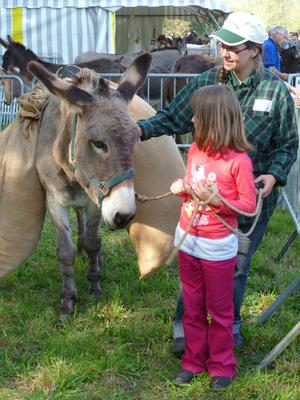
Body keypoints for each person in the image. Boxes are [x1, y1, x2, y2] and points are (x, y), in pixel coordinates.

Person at [137, 11, 298, 355]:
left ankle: (228, 327)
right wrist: (136, 130)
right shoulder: (207, 83)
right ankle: (186, 325)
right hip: (202, 200)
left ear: (254, 50)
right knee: (193, 261)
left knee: (236, 266)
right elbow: (171, 117)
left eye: (234, 46)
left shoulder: (276, 91)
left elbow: (288, 144)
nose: (225, 52)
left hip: (249, 200)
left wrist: (274, 175)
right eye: (223, 44)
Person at [169, 84, 257, 390]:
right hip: (188, 237)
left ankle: (222, 365)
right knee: (192, 304)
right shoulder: (195, 150)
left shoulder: (239, 161)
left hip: (216, 245)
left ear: (214, 118)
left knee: (219, 310)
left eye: (197, 115)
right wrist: (183, 186)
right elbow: (191, 183)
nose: (192, 120)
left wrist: (217, 200)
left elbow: (248, 205)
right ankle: (193, 361)